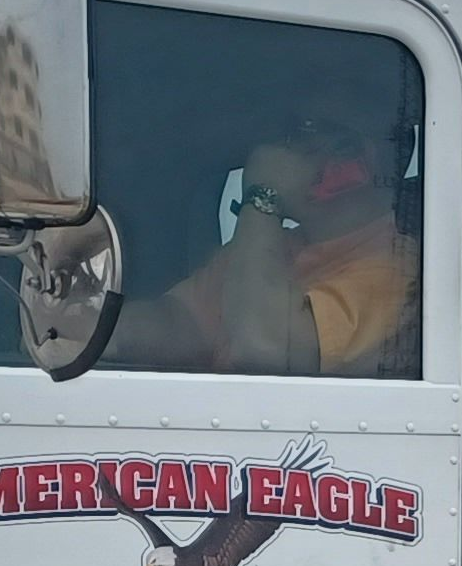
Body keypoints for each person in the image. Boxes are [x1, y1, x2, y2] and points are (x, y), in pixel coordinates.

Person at [112, 101, 418, 379]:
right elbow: (180, 324)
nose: (286, 146)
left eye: (309, 129)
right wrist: (86, 329)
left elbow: (263, 351)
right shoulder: (271, 246)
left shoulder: (397, 267)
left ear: (360, 159)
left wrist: (262, 196)